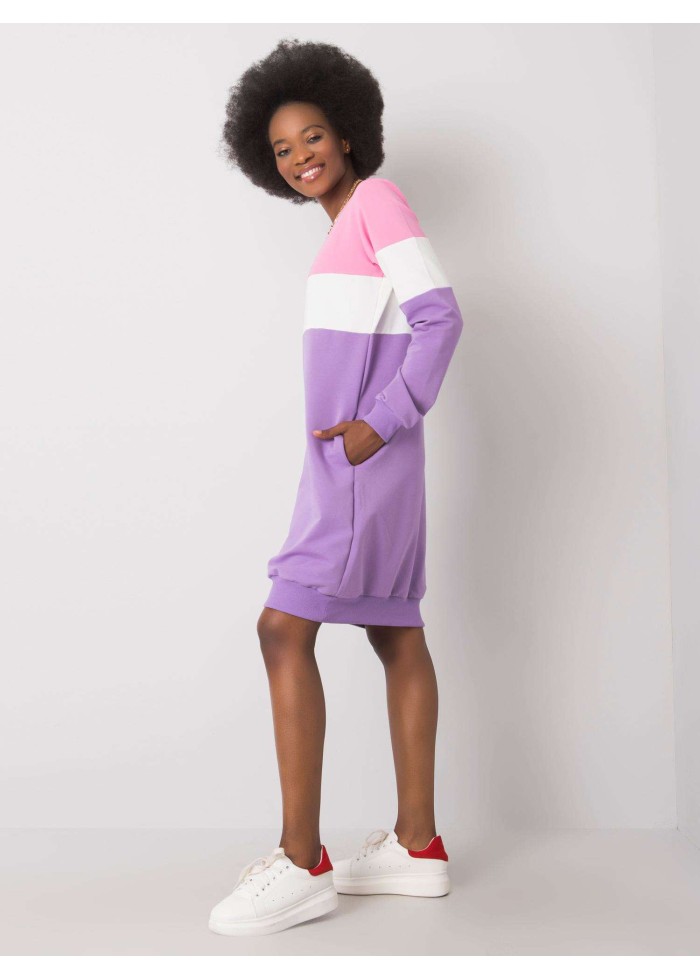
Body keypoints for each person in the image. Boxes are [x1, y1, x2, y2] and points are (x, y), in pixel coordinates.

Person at [209, 38, 463, 937]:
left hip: (362, 466)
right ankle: (418, 844)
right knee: (396, 631)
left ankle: (301, 860)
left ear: (348, 133)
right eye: (281, 148)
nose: (299, 156)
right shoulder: (344, 223)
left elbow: (441, 317)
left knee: (283, 627)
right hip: (355, 468)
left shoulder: (377, 202)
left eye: (312, 136)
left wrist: (377, 424)